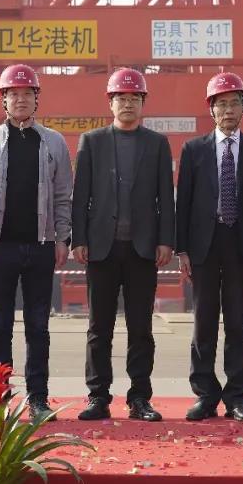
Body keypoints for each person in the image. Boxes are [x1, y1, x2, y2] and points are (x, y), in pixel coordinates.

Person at [0, 65, 73, 422]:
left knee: (38, 327)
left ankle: (38, 398)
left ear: (36, 99)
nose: (21, 99)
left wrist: (62, 237)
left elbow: (63, 194)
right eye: (14, 94)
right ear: (4, 100)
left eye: (28, 93)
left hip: (41, 247)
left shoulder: (53, 142)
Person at [71, 68, 175, 422]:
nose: (128, 104)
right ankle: (97, 397)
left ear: (143, 103)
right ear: (110, 103)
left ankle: (139, 398)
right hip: (101, 247)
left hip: (142, 249)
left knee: (140, 328)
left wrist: (166, 240)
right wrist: (79, 238)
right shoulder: (92, 141)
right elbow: (81, 194)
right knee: (98, 327)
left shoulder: (157, 144)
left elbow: (166, 196)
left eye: (134, 98)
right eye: (121, 98)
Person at [176, 73, 243, 423]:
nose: (228, 110)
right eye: (221, 104)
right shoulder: (194, 150)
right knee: (203, 323)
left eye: (234, 103)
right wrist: (182, 250)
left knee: (237, 323)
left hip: (241, 245)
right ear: (211, 109)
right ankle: (205, 395)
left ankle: (236, 397)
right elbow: (183, 202)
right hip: (203, 244)